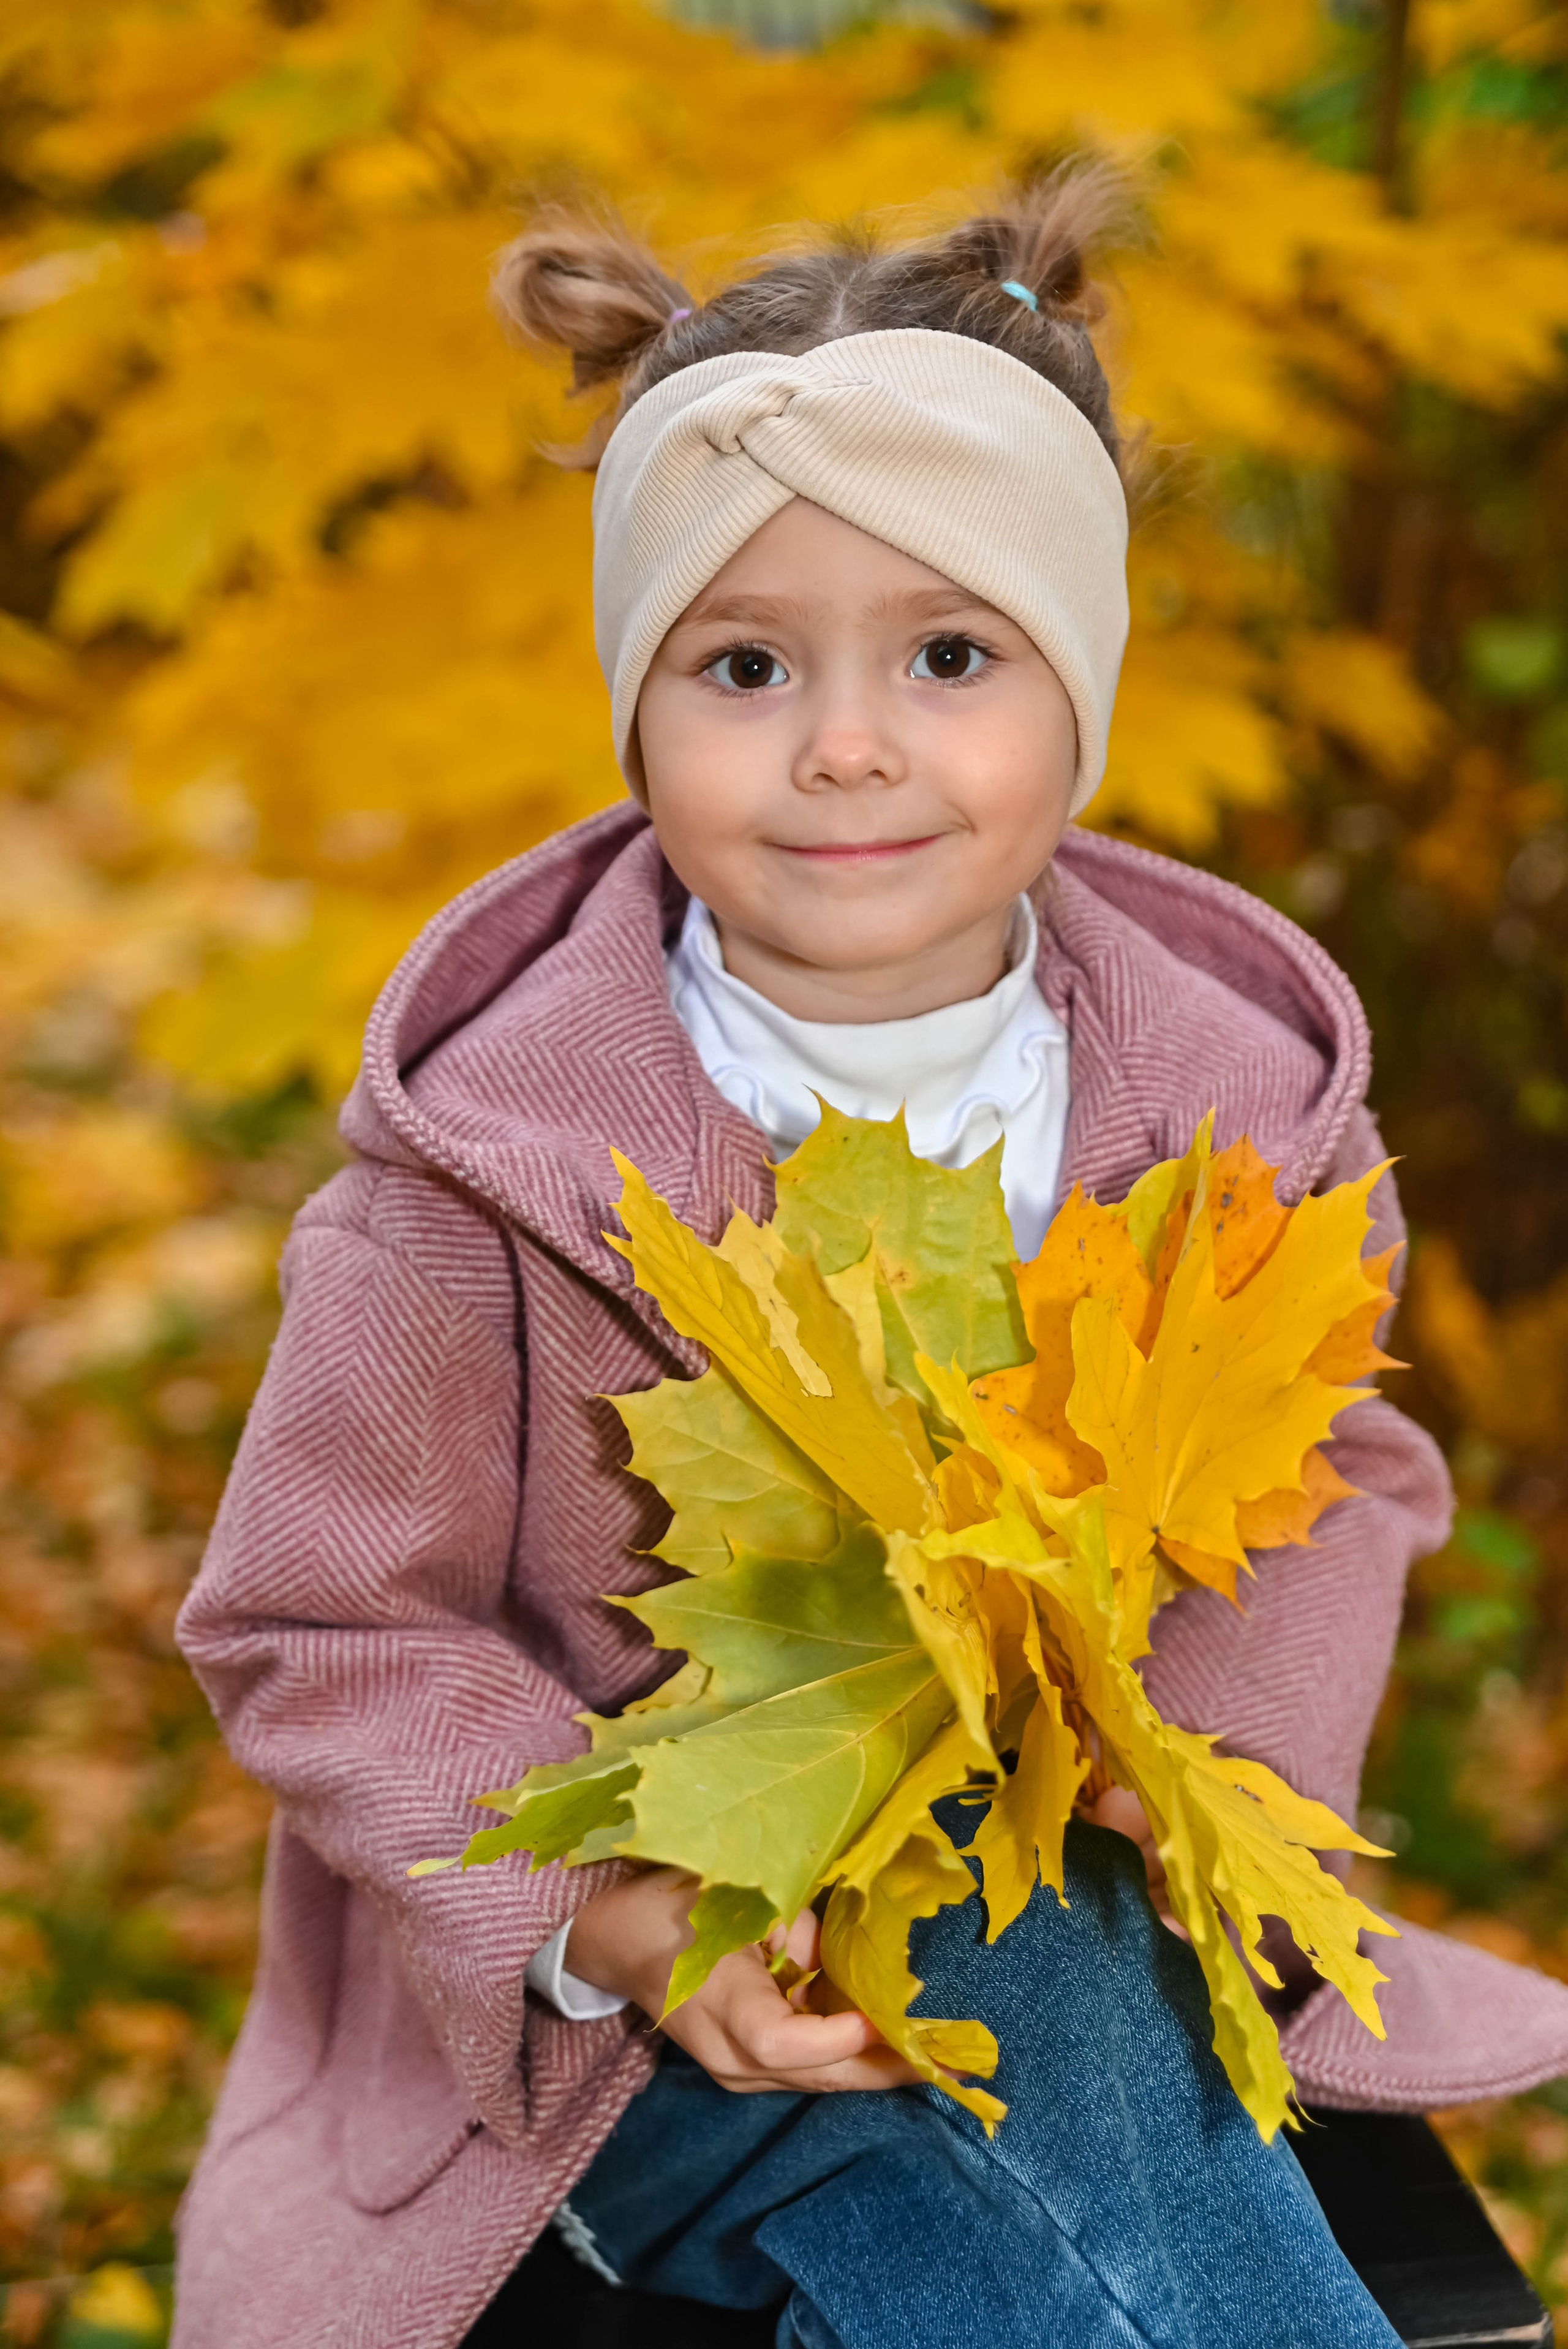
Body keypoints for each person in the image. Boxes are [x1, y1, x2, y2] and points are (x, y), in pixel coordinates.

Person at [171, 173, 1568, 2349]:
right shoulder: (487, 1178)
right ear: (635, 712)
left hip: (1082, 1918)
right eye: (743, 664)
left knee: (1028, 2137)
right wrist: (624, 1918)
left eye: (948, 653)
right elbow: (317, 1619)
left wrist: (1177, 1778)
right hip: (658, 2005)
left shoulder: (1245, 1115)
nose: (845, 741)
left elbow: (1335, 1476)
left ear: (1083, 697)